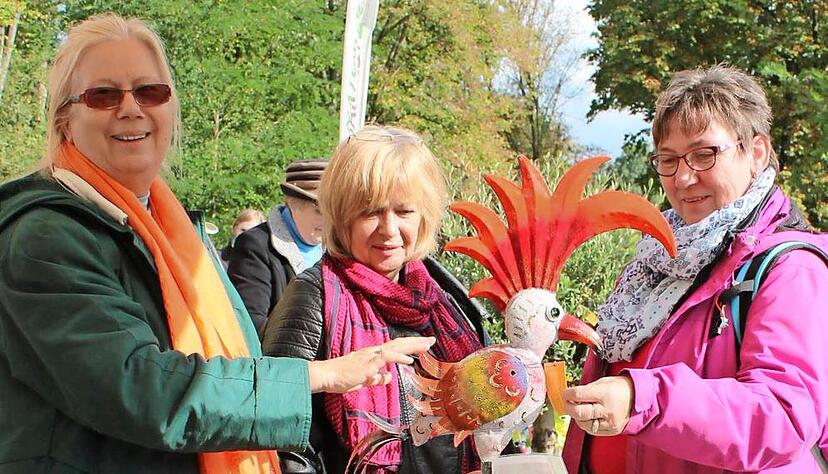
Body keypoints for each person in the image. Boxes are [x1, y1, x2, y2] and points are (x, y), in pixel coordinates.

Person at [0, 14, 435, 473]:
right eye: (103, 95)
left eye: (150, 91)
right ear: (66, 119)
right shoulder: (43, 239)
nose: (131, 109)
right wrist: (322, 375)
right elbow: (142, 388)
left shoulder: (176, 234)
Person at [561, 65, 828, 473]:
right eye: (668, 160)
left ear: (755, 153)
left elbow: (784, 417)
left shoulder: (790, 269)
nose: (684, 178)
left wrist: (643, 400)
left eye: (704, 154)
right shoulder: (654, 260)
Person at [261, 125, 490, 474]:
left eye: (404, 211)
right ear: (341, 216)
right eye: (371, 211)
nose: (389, 229)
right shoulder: (312, 298)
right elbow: (284, 443)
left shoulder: (447, 299)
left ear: (424, 216)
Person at [228, 160, 326, 333]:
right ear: (295, 205)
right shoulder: (255, 245)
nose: (330, 220)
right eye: (320, 211)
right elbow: (249, 324)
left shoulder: (339, 248)